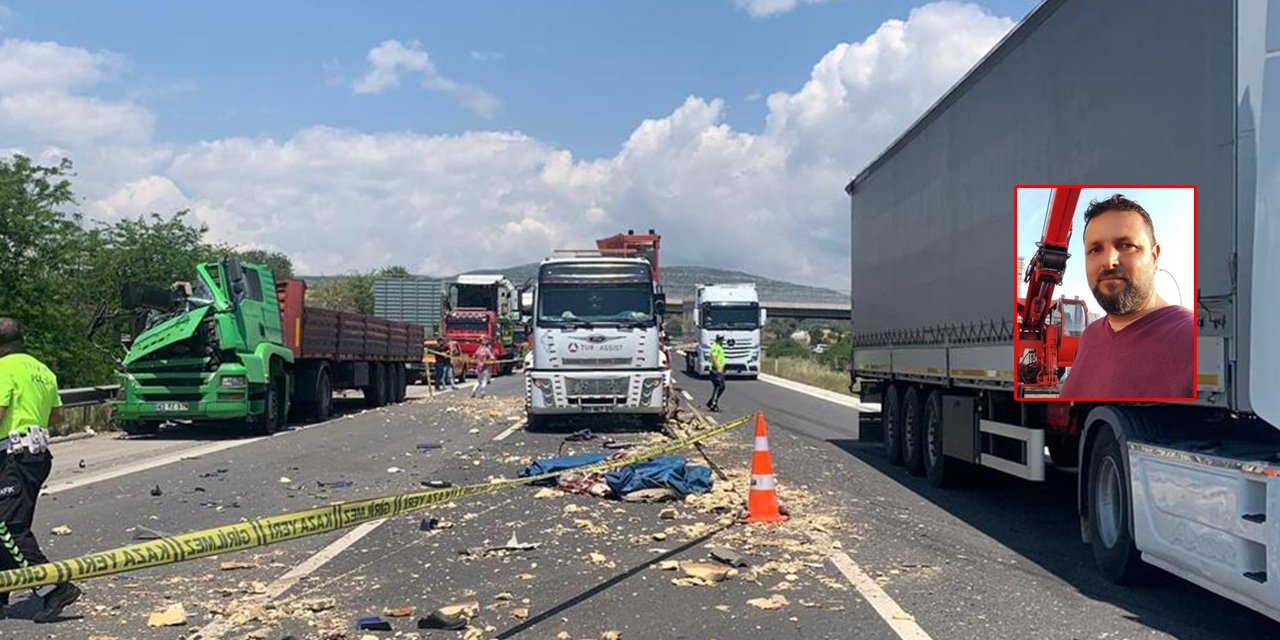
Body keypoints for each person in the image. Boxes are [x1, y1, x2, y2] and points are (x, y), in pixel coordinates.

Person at [1058, 194, 1195, 399]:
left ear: (1154, 257)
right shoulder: (1089, 337)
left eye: (1126, 245)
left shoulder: (1192, 339)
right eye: (1095, 249)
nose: (1109, 261)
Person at [0, 318, 81, 622]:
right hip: (36, 456)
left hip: (11, 457)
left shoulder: (3, 369)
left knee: (7, 526)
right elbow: (57, 416)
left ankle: (54, 588)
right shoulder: (42, 371)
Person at [705, 334, 727, 412]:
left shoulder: (719, 347)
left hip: (719, 369)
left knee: (721, 386)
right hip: (716, 370)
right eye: (722, 339)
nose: (723, 341)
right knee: (719, 386)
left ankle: (711, 402)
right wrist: (717, 367)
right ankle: (713, 404)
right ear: (719, 339)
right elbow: (713, 358)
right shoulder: (715, 347)